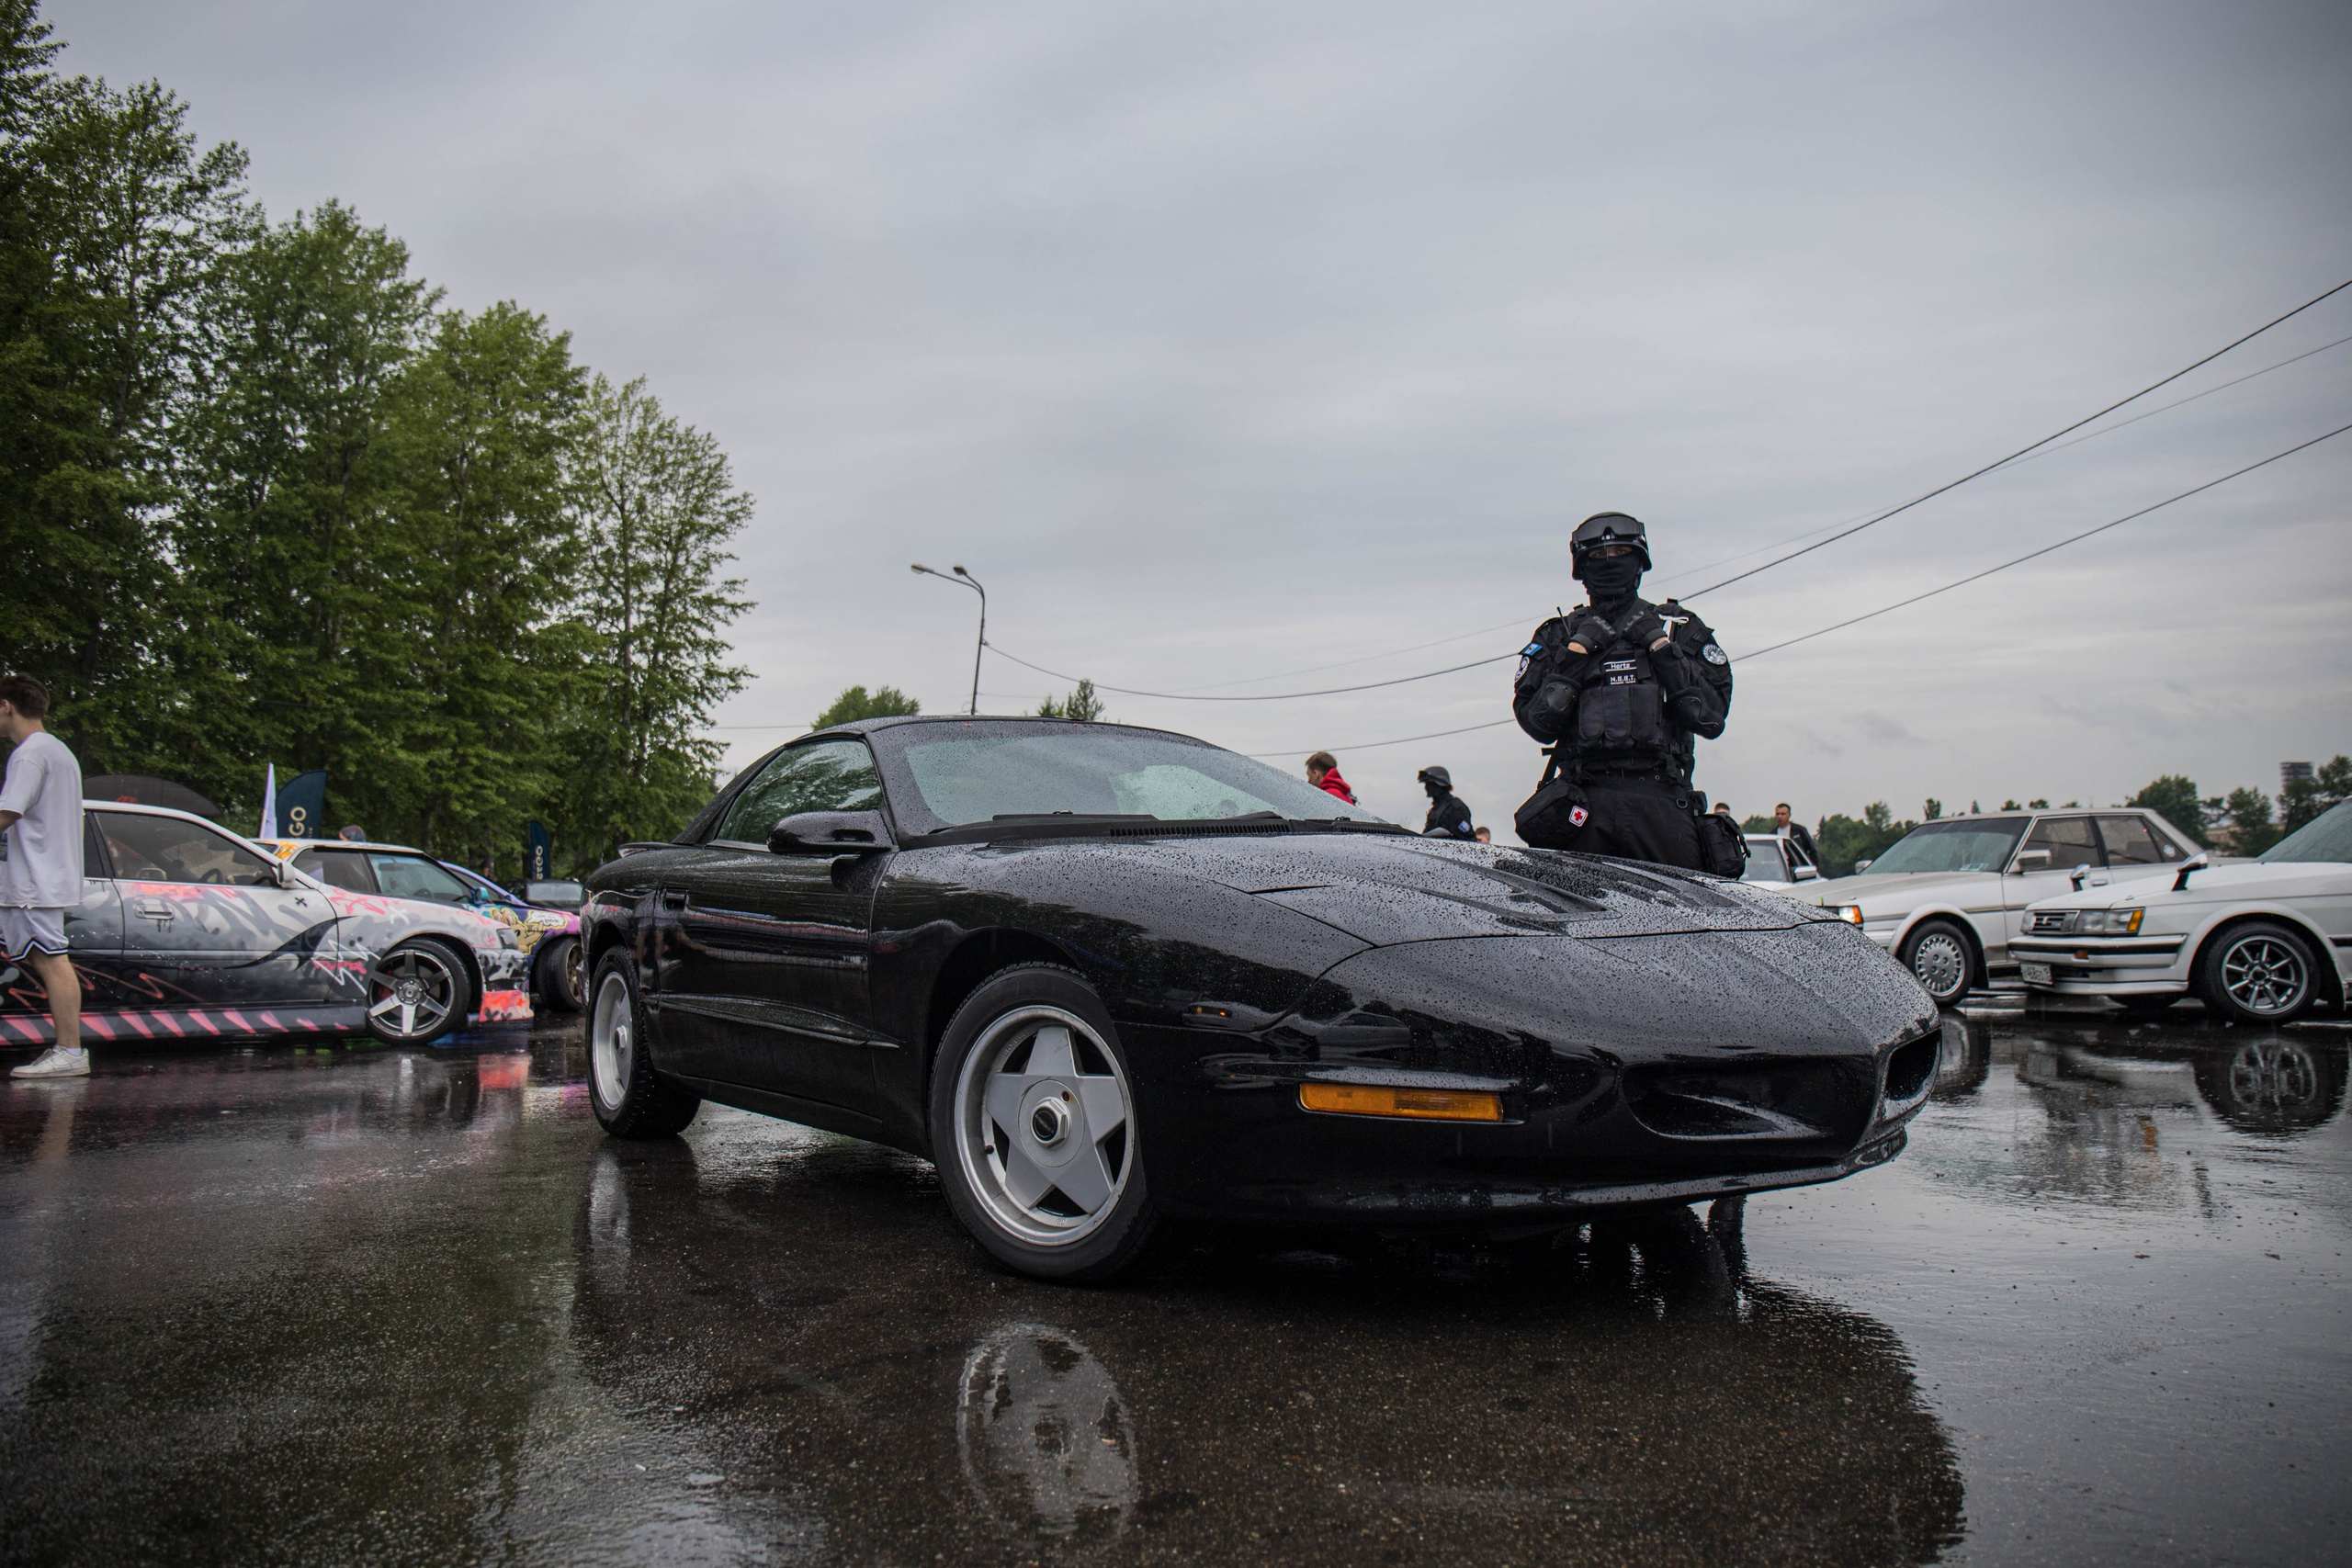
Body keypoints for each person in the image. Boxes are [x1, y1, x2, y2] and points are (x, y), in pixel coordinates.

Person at [1510, 513, 1734, 869]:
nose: (1610, 562)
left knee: (1680, 920)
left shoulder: (1679, 629)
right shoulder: (1557, 636)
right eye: (1598, 556)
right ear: (1581, 568)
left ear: (1640, 562)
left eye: (1620, 552)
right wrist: (1574, 659)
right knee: (1579, 919)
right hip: (1582, 804)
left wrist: (1662, 650)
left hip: (1663, 803)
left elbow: (1711, 719)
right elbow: (1537, 722)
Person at [0, 675, 88, 1078]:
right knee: (50, 958)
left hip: (35, 880)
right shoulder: (58, 751)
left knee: (51, 960)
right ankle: (70, 1051)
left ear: (6, 706)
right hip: (47, 876)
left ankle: (70, 1051)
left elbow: (8, 812)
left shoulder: (29, 754)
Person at [1417, 765, 1474, 839]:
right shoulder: (1435, 810)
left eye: (1429, 784)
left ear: (1439, 785)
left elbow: (1467, 839)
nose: (1426, 787)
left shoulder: (1455, 808)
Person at [1773, 803, 1818, 867]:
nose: (1779, 817)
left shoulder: (1799, 831)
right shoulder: (1773, 834)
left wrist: (1812, 868)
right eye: (1777, 814)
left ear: (1789, 815)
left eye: (1783, 814)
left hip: (1799, 868)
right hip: (1780, 869)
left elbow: (1812, 850)